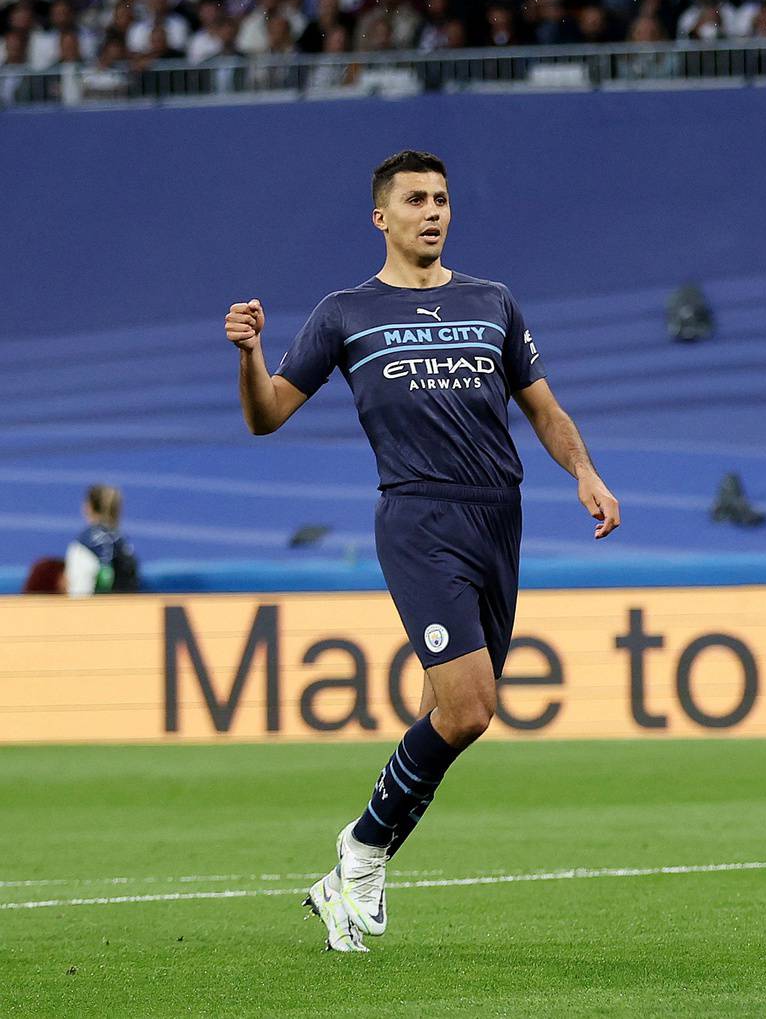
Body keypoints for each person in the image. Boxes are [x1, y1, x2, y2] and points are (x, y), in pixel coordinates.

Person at [224, 150, 619, 952]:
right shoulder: (344, 313)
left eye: (441, 199)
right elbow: (267, 415)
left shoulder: (492, 302)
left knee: (458, 716)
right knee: (472, 705)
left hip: (498, 517)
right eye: (415, 200)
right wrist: (247, 354)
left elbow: (543, 408)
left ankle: (351, 871)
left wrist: (584, 470)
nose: (433, 211)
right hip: (418, 518)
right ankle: (362, 852)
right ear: (382, 216)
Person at [66, 483, 138, 596]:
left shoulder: (83, 546)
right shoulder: (123, 544)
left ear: (88, 508)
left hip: (96, 610)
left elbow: (79, 595)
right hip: (127, 609)